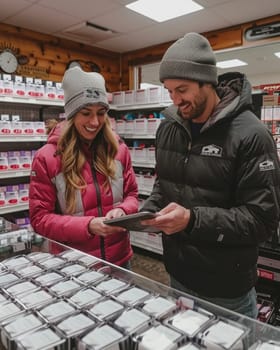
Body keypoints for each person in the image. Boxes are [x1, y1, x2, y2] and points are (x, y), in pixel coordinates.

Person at [141, 32, 280, 318]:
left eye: (182, 89)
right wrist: (147, 213)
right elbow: (163, 185)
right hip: (178, 276)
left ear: (208, 82)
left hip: (227, 291)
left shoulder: (252, 135)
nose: (176, 100)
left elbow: (262, 221)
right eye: (169, 91)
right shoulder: (169, 128)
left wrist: (192, 220)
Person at [29, 66, 138, 268]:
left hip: (120, 260)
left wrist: (123, 210)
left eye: (101, 112)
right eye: (86, 113)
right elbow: (40, 219)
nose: (95, 122)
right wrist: (88, 226)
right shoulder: (47, 158)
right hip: (75, 265)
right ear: (71, 114)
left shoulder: (119, 149)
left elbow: (132, 195)